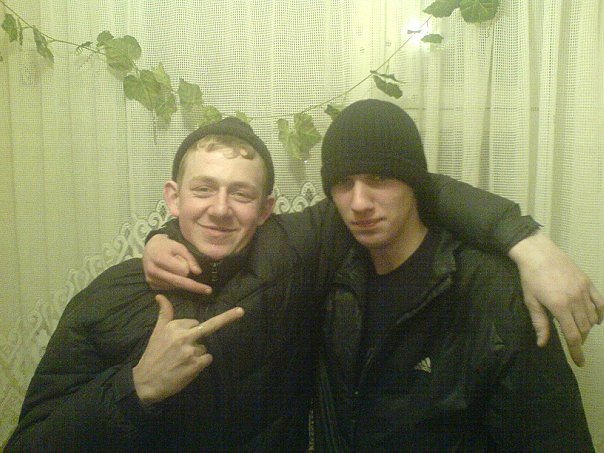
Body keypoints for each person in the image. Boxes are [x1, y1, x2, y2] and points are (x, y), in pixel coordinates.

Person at [8, 115, 600, 451]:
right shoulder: (108, 297)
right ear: (173, 197)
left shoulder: (299, 256)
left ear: (267, 209)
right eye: (202, 189)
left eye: (241, 193)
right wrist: (135, 389)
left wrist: (525, 241)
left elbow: (411, 186)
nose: (219, 209)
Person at [311, 99, 593, 450]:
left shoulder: (492, 291)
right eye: (343, 182)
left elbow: (552, 438)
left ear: (415, 183)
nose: (359, 203)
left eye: (379, 177)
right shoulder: (334, 275)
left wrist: (527, 240)